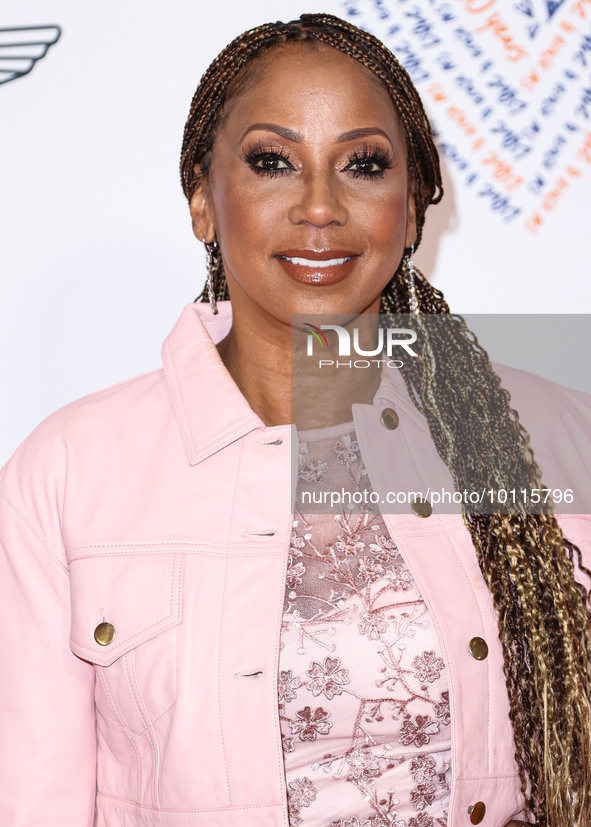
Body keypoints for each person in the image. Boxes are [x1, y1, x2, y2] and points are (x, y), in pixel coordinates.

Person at [1, 12, 590, 827]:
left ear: (412, 210)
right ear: (203, 202)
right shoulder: (67, 473)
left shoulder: (554, 437)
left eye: (364, 164)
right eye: (273, 162)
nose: (319, 206)